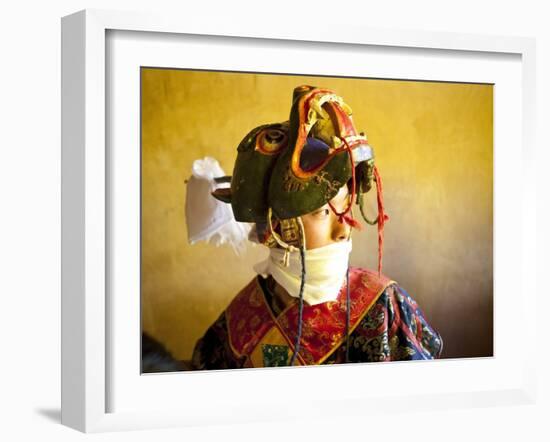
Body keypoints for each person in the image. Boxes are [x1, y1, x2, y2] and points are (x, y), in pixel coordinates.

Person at [188, 85, 442, 369]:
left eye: (345, 209)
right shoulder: (239, 321)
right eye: (323, 212)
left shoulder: (382, 305)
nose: (344, 230)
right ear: (274, 228)